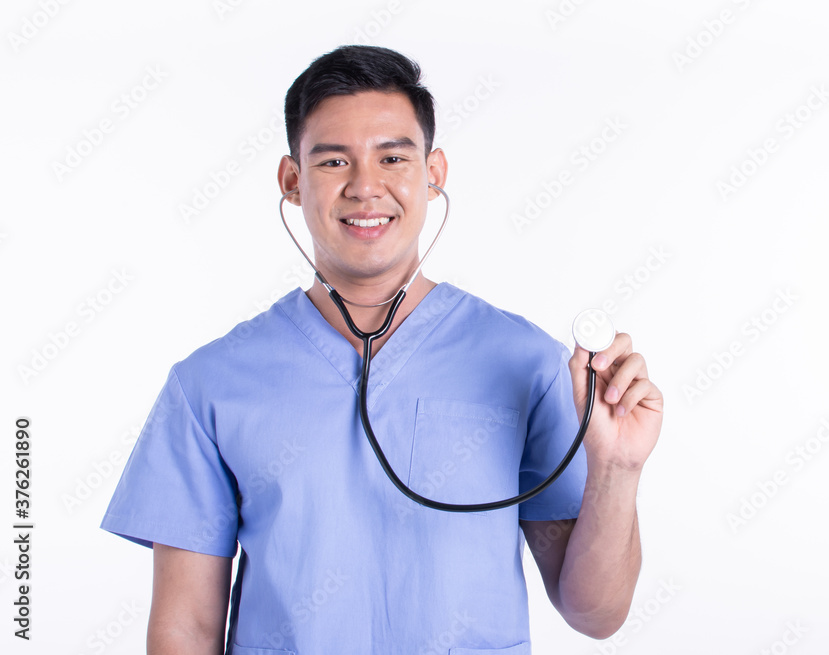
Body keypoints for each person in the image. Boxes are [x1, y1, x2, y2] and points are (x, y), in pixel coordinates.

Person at [101, 45, 663, 654]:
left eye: (393, 157)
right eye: (333, 160)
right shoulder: (208, 385)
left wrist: (617, 468)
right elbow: (186, 629)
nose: (365, 187)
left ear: (433, 173)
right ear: (292, 181)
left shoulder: (527, 362)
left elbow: (595, 613)